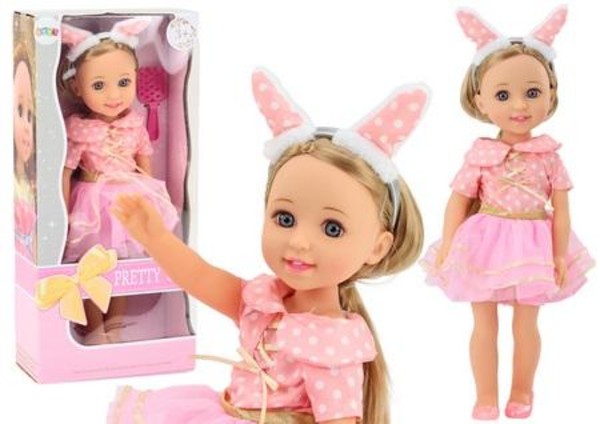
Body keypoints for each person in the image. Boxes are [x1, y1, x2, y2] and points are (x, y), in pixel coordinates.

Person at [108, 68, 429, 423]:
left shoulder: (333, 344)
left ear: (377, 247)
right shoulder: (263, 301)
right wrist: (155, 237)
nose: (299, 241)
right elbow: (199, 277)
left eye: (332, 228)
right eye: (285, 219)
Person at [421, 6, 594, 420]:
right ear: (480, 100)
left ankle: (522, 391)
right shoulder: (480, 154)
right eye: (503, 95)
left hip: (533, 244)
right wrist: (448, 245)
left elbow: (562, 210)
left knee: (526, 324)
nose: (519, 105)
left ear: (551, 92)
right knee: (484, 325)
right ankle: (485, 396)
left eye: (533, 92)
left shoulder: (548, 155)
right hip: (484, 242)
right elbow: (457, 202)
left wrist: (558, 253)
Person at [59, 18, 179, 344]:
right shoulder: (79, 130)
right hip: (92, 203)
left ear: (136, 79)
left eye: (124, 82)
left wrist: (152, 206)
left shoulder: (135, 124)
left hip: (127, 199)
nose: (114, 95)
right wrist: (64, 213)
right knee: (91, 267)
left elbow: (145, 167)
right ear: (77, 88)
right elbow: (67, 171)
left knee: (124, 267)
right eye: (99, 86)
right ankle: (94, 327)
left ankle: (115, 325)